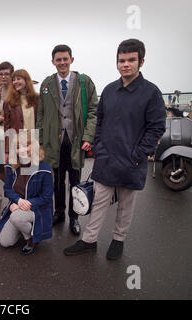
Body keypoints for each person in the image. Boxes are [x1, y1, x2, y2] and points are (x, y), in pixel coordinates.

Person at [64, 39, 166, 260]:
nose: (125, 64)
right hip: (106, 158)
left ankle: (118, 240)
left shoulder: (151, 93)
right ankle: (89, 240)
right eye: (121, 60)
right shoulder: (109, 90)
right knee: (98, 201)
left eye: (131, 60)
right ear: (117, 62)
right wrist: (99, 147)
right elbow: (99, 121)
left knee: (126, 206)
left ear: (141, 62)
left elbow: (157, 128)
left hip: (132, 161)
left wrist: (139, 155)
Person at [36, 44, 98, 236]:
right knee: (57, 181)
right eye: (58, 60)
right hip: (53, 142)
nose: (62, 63)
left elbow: (94, 111)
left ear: (71, 60)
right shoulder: (46, 83)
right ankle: (59, 212)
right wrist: (39, 140)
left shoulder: (84, 82)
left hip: (76, 141)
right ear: (53, 62)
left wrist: (88, 137)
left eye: (65, 59)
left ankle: (74, 217)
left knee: (75, 181)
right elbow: (41, 114)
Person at [0, 134, 53, 255]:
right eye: (18, 147)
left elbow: (47, 197)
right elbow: (7, 189)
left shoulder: (45, 169)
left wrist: (24, 204)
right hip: (18, 207)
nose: (21, 150)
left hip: (38, 209)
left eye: (25, 145)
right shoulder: (12, 166)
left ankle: (31, 238)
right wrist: (17, 201)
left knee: (16, 217)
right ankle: (24, 228)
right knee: (5, 242)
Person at [4, 69, 39, 162]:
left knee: (34, 172)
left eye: (18, 79)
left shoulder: (37, 99)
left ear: (26, 80)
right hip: (17, 144)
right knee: (18, 173)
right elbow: (7, 128)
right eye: (13, 80)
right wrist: (6, 151)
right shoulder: (8, 102)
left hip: (34, 142)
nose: (15, 82)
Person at [0, 61, 15, 181]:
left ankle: (15, 196)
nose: (4, 76)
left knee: (12, 168)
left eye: (7, 74)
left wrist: (3, 118)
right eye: (1, 74)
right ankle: (11, 192)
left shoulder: (18, 92)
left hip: (12, 134)